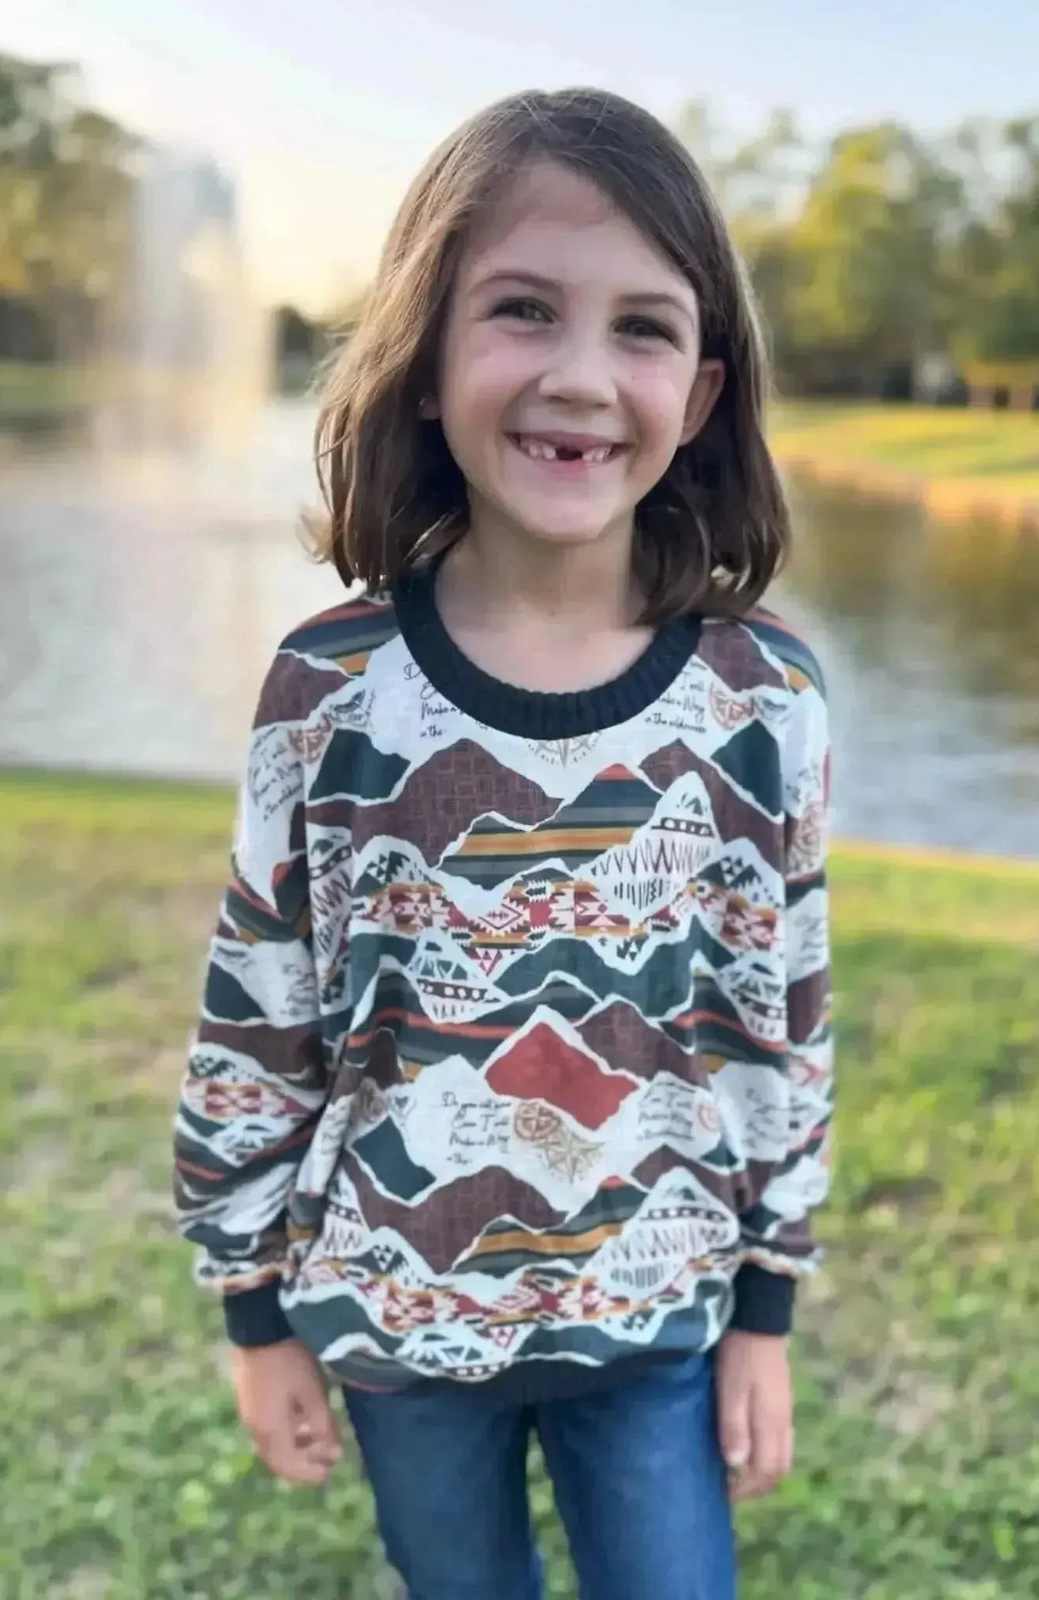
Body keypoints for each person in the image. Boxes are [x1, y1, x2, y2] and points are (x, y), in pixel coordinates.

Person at [172, 85, 833, 1600]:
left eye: (643, 329)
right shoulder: (330, 689)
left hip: (656, 1311)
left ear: (709, 388)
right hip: (399, 1323)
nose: (582, 378)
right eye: (524, 311)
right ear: (426, 360)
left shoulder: (764, 699)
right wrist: (253, 1312)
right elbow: (258, 1009)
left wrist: (766, 1307)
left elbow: (780, 1016)